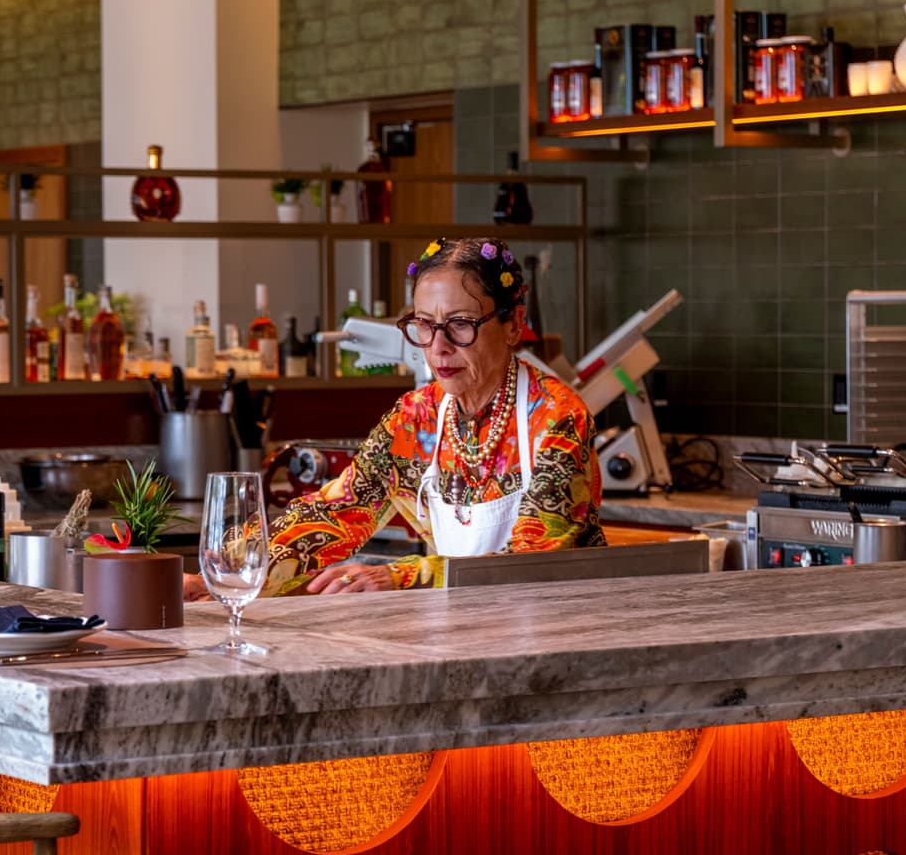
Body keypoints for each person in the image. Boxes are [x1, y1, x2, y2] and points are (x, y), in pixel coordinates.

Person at [189, 236, 604, 599]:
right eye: (424, 325)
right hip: (463, 627)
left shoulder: (556, 418)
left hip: (557, 630)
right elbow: (339, 510)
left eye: (460, 324)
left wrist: (404, 576)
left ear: (513, 322)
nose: (438, 347)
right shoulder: (416, 418)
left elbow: (535, 558)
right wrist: (230, 569)